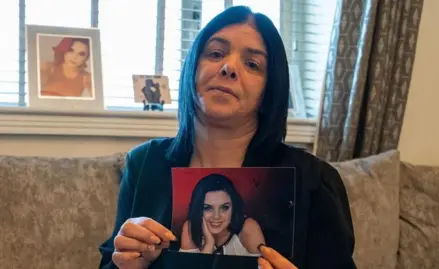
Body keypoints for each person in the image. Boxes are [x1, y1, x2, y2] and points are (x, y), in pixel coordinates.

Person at [98, 5, 356, 269]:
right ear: (193, 68)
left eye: (252, 64)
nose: (228, 67)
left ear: (270, 90)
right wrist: (124, 265)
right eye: (216, 53)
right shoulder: (144, 165)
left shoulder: (313, 181)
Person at [179, 173, 265, 256]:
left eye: (224, 208)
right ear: (198, 209)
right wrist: (209, 244)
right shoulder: (190, 228)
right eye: (207, 208)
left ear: (234, 207)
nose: (216, 216)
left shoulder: (248, 227)